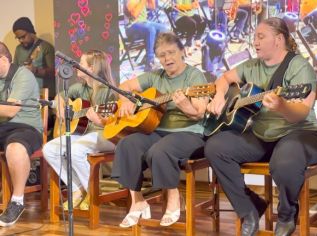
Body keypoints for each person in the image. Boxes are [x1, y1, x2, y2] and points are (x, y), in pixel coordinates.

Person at [204, 17, 317, 236]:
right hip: (261, 135)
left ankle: (286, 216)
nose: (255, 42)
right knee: (215, 147)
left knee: (285, 161)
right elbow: (224, 78)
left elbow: (300, 112)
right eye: (254, 38)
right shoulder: (251, 65)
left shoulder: (299, 67)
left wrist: (282, 106)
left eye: (261, 37)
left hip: (300, 133)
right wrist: (219, 96)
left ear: (279, 39)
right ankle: (249, 209)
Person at [111, 32, 208, 228]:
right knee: (127, 144)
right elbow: (123, 87)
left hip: (190, 131)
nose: (167, 59)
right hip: (159, 131)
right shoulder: (155, 76)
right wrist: (126, 100)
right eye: (162, 55)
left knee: (160, 150)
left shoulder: (195, 76)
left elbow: (199, 114)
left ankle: (174, 197)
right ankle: (138, 201)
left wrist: (186, 106)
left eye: (171, 52)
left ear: (182, 51)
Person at [43, 50, 117, 211]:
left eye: (80, 63)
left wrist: (100, 120)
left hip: (108, 136)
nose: (76, 66)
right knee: (49, 149)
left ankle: (92, 191)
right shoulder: (80, 88)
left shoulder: (108, 92)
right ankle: (78, 188)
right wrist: (61, 111)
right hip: (86, 135)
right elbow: (59, 97)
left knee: (75, 150)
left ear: (91, 68)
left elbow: (116, 122)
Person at [0, 42, 42, 226]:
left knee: (15, 148)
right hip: (2, 128)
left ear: (3, 59)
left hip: (25, 127)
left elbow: (10, 111)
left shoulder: (22, 75)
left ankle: (17, 201)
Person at [12, 17, 55, 99]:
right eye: (18, 38)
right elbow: (14, 71)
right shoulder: (18, 49)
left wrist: (35, 70)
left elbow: (54, 72)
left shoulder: (46, 47)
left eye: (23, 37)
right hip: (24, 96)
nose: (21, 40)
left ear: (31, 32)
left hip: (43, 96)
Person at [124, 0, 168, 71]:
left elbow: (152, 7)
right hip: (131, 27)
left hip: (144, 24)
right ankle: (149, 62)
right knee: (150, 29)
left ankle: (148, 57)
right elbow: (134, 14)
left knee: (163, 28)